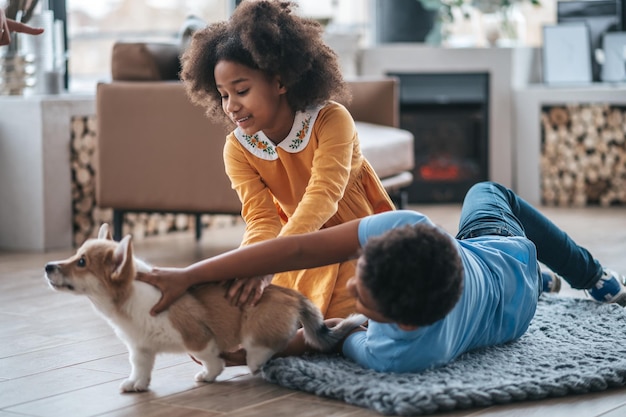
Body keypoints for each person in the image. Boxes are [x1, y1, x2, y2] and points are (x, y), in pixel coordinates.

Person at [139, 181, 626, 373]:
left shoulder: (404, 352)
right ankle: (590, 276)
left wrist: (242, 353)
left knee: (487, 195)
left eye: (363, 300)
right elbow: (300, 246)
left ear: (404, 324)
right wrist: (190, 273)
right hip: (502, 256)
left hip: (501, 283)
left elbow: (328, 339)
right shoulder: (410, 227)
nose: (350, 287)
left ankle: (554, 277)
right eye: (361, 274)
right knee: (490, 193)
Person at [180, 0, 395, 318]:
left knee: (355, 312)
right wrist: (252, 265)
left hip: (354, 240)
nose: (231, 106)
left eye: (241, 90)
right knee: (256, 306)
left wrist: (274, 260)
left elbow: (323, 199)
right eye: (224, 95)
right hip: (293, 245)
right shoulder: (238, 149)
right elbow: (262, 220)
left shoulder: (330, 120)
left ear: (280, 82)